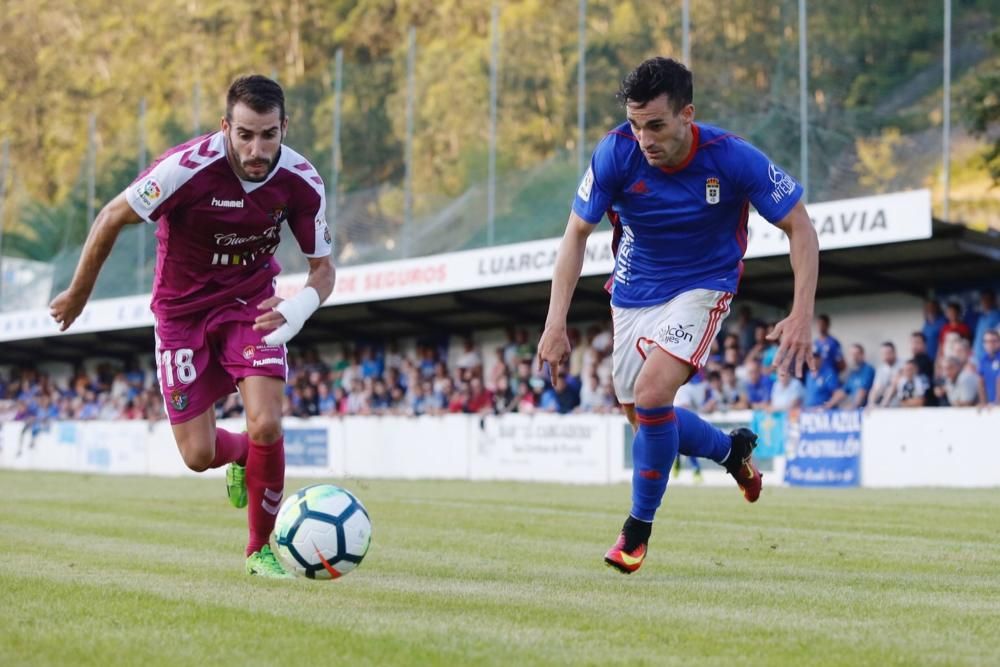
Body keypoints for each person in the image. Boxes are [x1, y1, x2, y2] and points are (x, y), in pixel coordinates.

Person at [536, 57, 818, 574]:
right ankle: (730, 452)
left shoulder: (732, 158)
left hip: (704, 285)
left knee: (651, 397)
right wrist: (555, 324)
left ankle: (635, 533)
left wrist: (802, 315)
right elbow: (575, 235)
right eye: (636, 124)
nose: (644, 137)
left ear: (688, 114)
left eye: (657, 125)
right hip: (632, 292)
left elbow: (800, 226)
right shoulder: (615, 152)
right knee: (644, 420)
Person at [48, 75, 335, 578]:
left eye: (268, 134)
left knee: (266, 421)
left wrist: (302, 305)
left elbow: (323, 270)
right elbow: (113, 215)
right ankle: (242, 455)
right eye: (245, 134)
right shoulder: (185, 169)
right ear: (226, 127)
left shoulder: (301, 180)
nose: (256, 147)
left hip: (251, 303)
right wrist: (77, 295)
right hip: (180, 315)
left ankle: (259, 549)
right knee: (198, 455)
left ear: (284, 128)